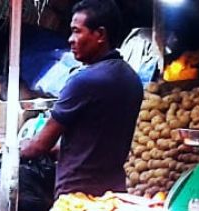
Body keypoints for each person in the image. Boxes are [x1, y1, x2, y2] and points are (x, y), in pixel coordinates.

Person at [20, 0, 142, 198]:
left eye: (77, 31)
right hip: (113, 194)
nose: (70, 39)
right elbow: (96, 139)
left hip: (77, 196)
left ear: (100, 35)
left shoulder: (84, 80)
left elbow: (40, 145)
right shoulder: (130, 78)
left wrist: (16, 152)